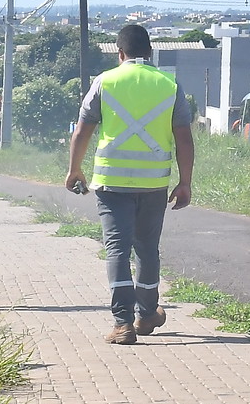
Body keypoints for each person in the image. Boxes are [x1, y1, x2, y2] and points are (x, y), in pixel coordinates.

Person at [64, 24, 195, 344]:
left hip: (112, 185)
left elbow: (82, 130)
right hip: (153, 185)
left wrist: (74, 169)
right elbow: (184, 138)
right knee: (147, 250)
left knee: (117, 251)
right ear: (149, 52)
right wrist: (185, 182)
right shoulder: (169, 85)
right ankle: (147, 313)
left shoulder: (104, 82)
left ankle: (123, 323)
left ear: (120, 53)